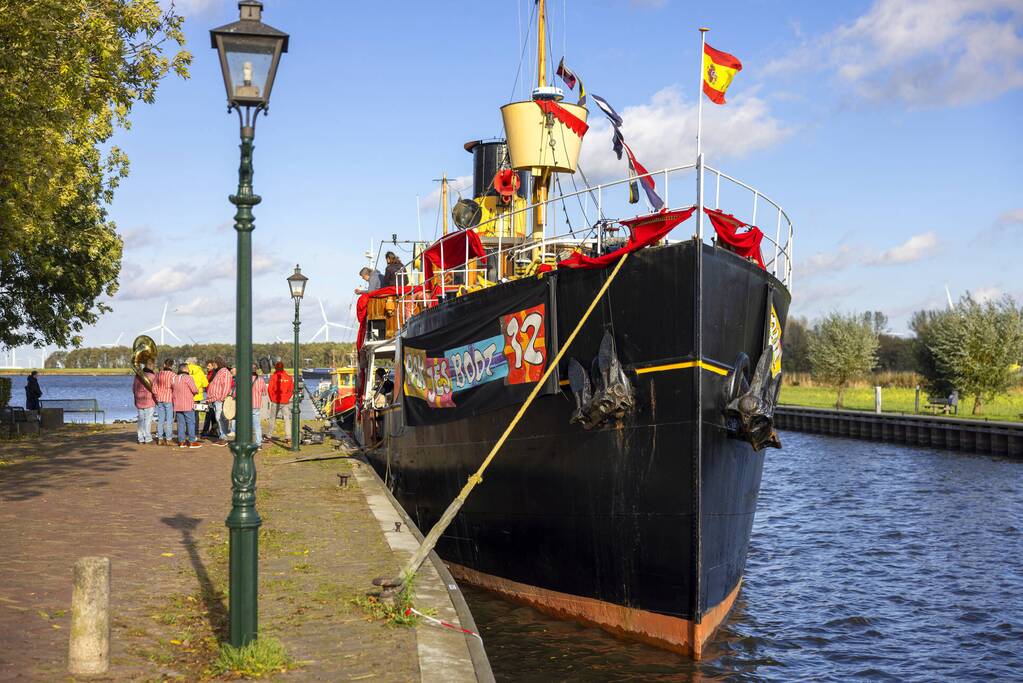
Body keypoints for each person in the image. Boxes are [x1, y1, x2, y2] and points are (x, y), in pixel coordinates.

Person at [172, 362, 201, 449]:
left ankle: (182, 442)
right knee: (191, 423)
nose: (189, 369)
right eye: (188, 368)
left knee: (181, 424)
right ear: (184, 369)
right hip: (187, 404)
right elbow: (195, 390)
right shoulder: (188, 378)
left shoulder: (174, 378)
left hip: (177, 404)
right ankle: (192, 441)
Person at [205, 357, 232, 447]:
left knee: (220, 418)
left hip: (219, 399)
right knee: (219, 418)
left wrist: (221, 398)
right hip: (215, 399)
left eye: (215, 363)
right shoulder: (219, 372)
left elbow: (226, 386)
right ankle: (222, 436)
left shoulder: (225, 372)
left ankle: (224, 438)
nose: (214, 365)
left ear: (218, 363)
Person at [267, 361, 295, 445]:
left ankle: (269, 436)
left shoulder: (274, 376)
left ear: (276, 368)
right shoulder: (289, 377)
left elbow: (270, 389)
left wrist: (272, 398)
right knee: (286, 419)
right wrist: (287, 398)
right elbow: (291, 390)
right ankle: (288, 437)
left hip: (275, 401)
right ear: (283, 368)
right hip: (285, 402)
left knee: (272, 419)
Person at [151, 359, 176, 446]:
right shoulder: (173, 375)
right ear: (172, 365)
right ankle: (168, 439)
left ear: (164, 364)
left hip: (160, 400)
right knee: (169, 420)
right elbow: (175, 388)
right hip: (169, 399)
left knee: (161, 419)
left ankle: (160, 438)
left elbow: (154, 388)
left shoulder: (158, 374)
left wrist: (157, 396)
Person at [132, 364, 157, 445]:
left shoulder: (137, 376)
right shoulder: (152, 376)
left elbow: (133, 388)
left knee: (141, 420)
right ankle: (148, 438)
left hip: (139, 400)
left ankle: (140, 438)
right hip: (149, 400)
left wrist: (136, 397)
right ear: (151, 366)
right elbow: (155, 389)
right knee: (148, 420)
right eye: (153, 365)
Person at [186, 356, 209, 434]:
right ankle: (195, 431)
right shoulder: (200, 371)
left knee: (187, 414)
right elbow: (205, 384)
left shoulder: (186, 369)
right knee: (196, 414)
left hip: (187, 395)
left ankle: (188, 430)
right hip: (197, 396)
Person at [199, 359, 220, 439]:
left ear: (213, 366)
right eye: (207, 365)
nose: (207, 367)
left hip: (212, 396)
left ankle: (205, 431)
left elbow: (209, 384)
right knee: (212, 414)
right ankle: (213, 431)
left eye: (209, 366)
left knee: (209, 414)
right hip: (209, 395)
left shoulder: (214, 374)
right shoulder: (210, 373)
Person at [251, 365, 267, 448]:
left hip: (246, 405)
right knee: (257, 425)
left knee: (245, 424)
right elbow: (264, 393)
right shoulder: (260, 380)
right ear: (256, 370)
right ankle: (258, 443)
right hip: (256, 405)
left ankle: (246, 442)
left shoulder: (244, 379)